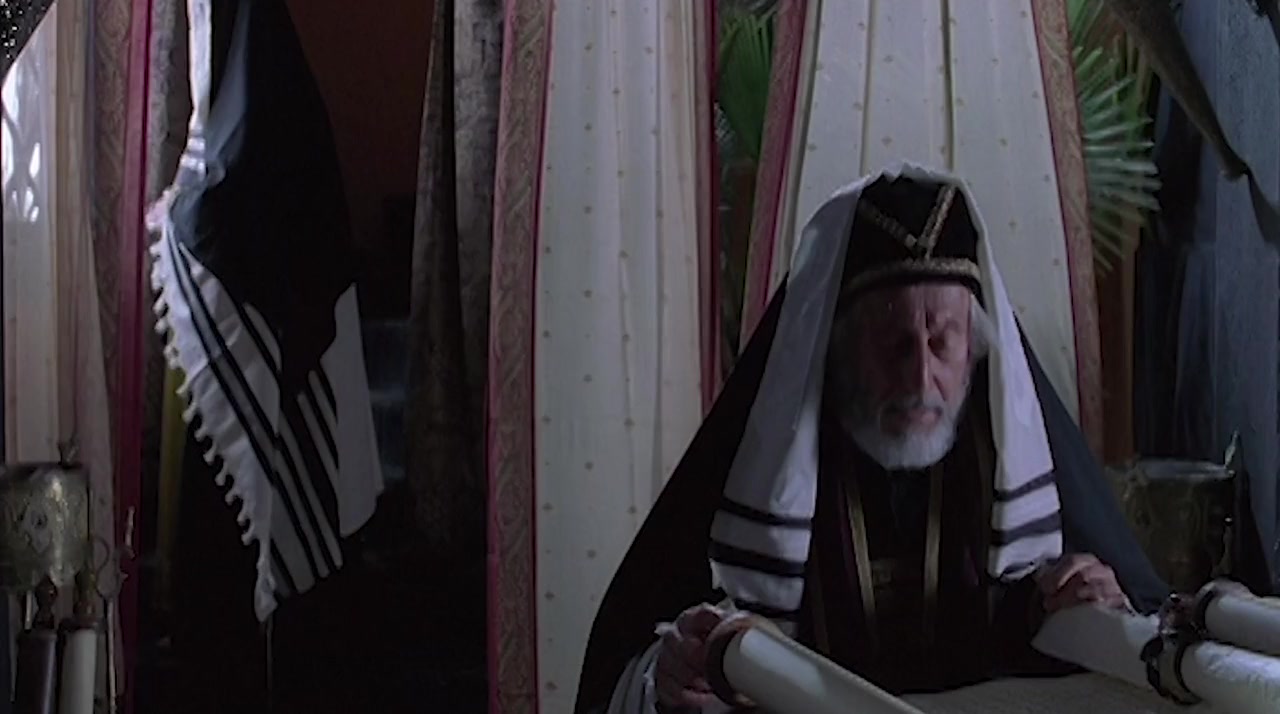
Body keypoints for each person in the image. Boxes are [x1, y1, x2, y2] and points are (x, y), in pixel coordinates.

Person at [574, 164, 1170, 713]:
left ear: (977, 345)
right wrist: (673, 669)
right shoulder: (767, 460)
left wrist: (1090, 605)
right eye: (892, 343)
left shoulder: (1007, 452)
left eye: (942, 340)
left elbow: (1136, 639)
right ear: (834, 348)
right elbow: (631, 665)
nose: (920, 378)